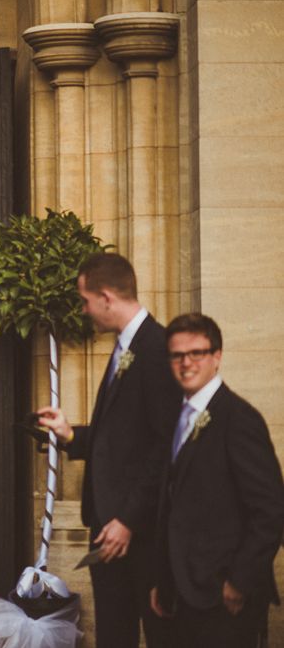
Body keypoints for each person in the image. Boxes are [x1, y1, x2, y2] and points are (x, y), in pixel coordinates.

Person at [36, 253, 181, 648]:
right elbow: (123, 436)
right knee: (115, 635)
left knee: (159, 634)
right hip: (108, 527)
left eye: (84, 301)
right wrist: (70, 434)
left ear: (105, 296)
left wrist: (128, 521)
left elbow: (165, 446)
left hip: (139, 532)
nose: (83, 311)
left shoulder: (157, 348)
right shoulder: (126, 347)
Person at [150, 313, 284, 648]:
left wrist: (238, 582)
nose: (186, 363)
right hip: (182, 592)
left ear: (217, 357)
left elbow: (270, 510)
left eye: (197, 353)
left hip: (224, 595)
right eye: (177, 355)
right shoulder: (177, 417)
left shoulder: (239, 419)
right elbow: (172, 503)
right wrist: (164, 582)